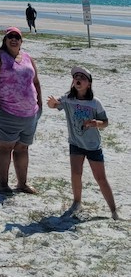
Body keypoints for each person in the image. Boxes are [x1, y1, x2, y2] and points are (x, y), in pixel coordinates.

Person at [47, 67, 118, 219]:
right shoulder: (68, 99)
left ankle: (113, 211)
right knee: (76, 174)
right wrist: (52, 103)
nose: (78, 79)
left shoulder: (95, 103)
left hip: (93, 145)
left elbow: (105, 123)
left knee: (100, 178)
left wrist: (95, 123)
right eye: (76, 77)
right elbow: (54, 105)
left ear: (89, 84)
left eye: (82, 77)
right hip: (76, 143)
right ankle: (77, 202)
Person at [0, 27, 42, 194]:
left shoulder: (27, 58)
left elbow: (36, 81)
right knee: (5, 147)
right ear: (5, 39)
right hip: (6, 111)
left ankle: (22, 184)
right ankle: (3, 185)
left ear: (21, 41)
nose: (14, 39)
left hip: (29, 114)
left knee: (22, 148)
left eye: (17, 37)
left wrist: (39, 103)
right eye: (10, 36)